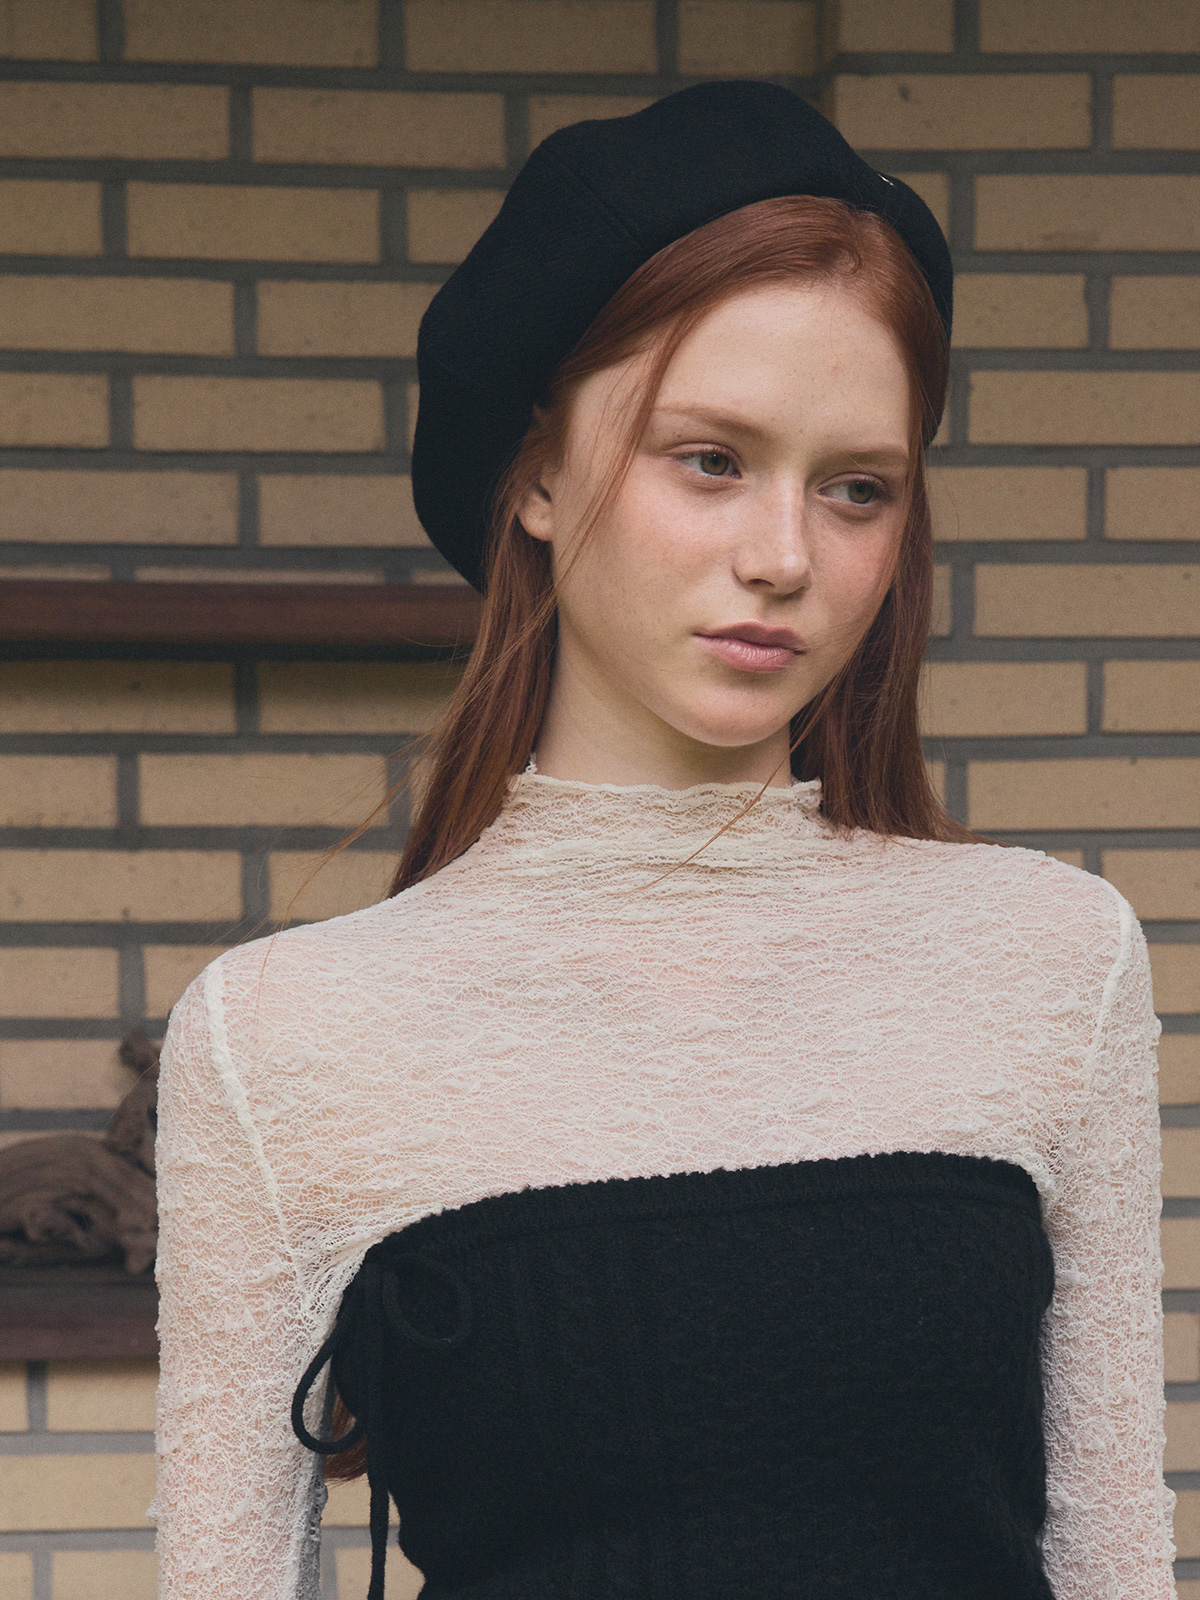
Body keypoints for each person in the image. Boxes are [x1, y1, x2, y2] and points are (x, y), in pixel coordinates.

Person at [151, 82, 1176, 1600]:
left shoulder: (1047, 961)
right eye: (711, 459)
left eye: (857, 489)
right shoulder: (283, 1038)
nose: (785, 556)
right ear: (538, 476)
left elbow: (1112, 1557)